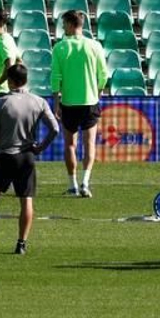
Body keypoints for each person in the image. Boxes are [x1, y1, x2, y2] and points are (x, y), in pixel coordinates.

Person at [0, 63, 60, 256]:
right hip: (27, 156)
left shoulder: (1, 103)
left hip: (5, 156)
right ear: (26, 79)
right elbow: (55, 129)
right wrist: (40, 147)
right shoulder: (38, 102)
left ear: (10, 81)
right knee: (26, 201)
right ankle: (21, 244)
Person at [49, 10, 108, 197]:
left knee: (70, 144)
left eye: (64, 24)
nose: (62, 28)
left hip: (69, 102)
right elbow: (103, 75)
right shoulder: (95, 46)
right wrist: (97, 92)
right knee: (89, 143)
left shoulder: (60, 48)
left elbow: (55, 78)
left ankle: (73, 184)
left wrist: (56, 102)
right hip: (90, 101)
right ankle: (85, 182)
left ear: (70, 24)